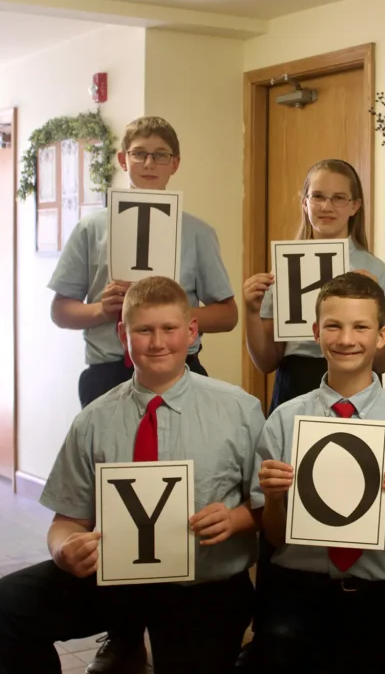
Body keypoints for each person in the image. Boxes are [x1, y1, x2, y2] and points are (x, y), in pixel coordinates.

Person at [0, 276, 263, 674]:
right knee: (2, 606)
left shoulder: (240, 411)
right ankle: (124, 642)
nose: (157, 342)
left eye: (169, 329)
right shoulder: (94, 419)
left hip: (203, 584)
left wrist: (236, 518)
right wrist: (64, 549)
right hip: (116, 578)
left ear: (192, 331)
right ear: (122, 335)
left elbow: (268, 508)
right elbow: (67, 521)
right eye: (143, 330)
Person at [46, 115, 237, 673]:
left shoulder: (197, 231)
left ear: (175, 163)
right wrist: (100, 310)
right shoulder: (93, 228)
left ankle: (180, 612)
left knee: (177, 494)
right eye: (139, 153)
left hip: (181, 375)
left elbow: (224, 312)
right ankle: (122, 630)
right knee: (116, 503)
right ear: (123, 161)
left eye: (159, 154)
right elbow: (61, 309)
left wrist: (171, 317)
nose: (149, 162)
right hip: (109, 373)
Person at [249, 272, 385, 674]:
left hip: (381, 598)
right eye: (334, 326)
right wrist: (274, 497)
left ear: (383, 335)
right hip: (298, 594)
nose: (346, 339)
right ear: (316, 332)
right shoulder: (285, 419)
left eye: (361, 327)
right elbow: (274, 536)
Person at [243, 158, 385, 415]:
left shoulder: (375, 269)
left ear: (355, 206)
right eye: (317, 196)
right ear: (304, 203)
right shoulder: (284, 267)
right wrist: (251, 312)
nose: (327, 206)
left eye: (339, 198)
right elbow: (266, 361)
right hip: (296, 384)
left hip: (357, 387)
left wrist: (377, 304)